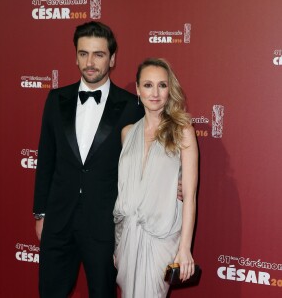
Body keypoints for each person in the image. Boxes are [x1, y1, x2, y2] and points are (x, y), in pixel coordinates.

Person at [33, 21, 144, 298]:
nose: (90, 62)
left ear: (113, 58)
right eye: (83, 53)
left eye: (98, 54)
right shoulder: (55, 99)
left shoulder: (132, 106)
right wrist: (41, 213)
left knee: (102, 292)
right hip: (58, 219)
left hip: (104, 222)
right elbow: (46, 158)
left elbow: (144, 165)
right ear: (75, 56)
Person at [113, 58, 198, 298]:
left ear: (169, 89)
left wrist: (185, 249)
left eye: (162, 85)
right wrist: (117, 241)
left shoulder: (183, 132)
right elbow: (124, 188)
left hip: (162, 239)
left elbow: (189, 196)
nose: (155, 92)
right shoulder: (127, 133)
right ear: (138, 90)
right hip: (126, 237)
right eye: (148, 85)